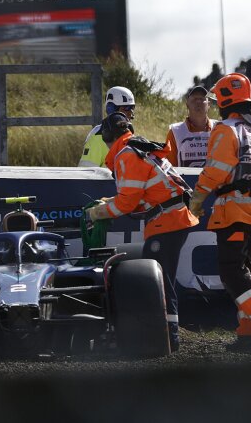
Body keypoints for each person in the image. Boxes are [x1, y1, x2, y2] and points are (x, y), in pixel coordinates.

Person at [84, 112, 199, 352]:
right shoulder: (137, 148)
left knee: (160, 282)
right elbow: (134, 197)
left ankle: (169, 338)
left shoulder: (126, 154)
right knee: (163, 279)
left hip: (167, 221)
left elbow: (127, 204)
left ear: (107, 136)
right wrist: (109, 202)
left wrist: (97, 213)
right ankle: (170, 336)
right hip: (173, 217)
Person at [189, 73, 251, 352]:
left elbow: (215, 172)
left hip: (234, 212)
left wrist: (196, 202)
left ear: (225, 101)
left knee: (232, 272)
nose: (216, 103)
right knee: (245, 270)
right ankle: (249, 333)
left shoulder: (225, 129)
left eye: (217, 99)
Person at [78, 86, 135, 167]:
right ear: (111, 109)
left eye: (132, 108)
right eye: (126, 108)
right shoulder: (97, 136)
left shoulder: (128, 134)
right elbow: (86, 174)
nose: (130, 113)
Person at [165, 85, 215, 167]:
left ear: (209, 104)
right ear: (187, 104)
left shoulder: (219, 128)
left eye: (202, 99)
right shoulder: (175, 132)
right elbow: (170, 168)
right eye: (194, 99)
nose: (198, 102)